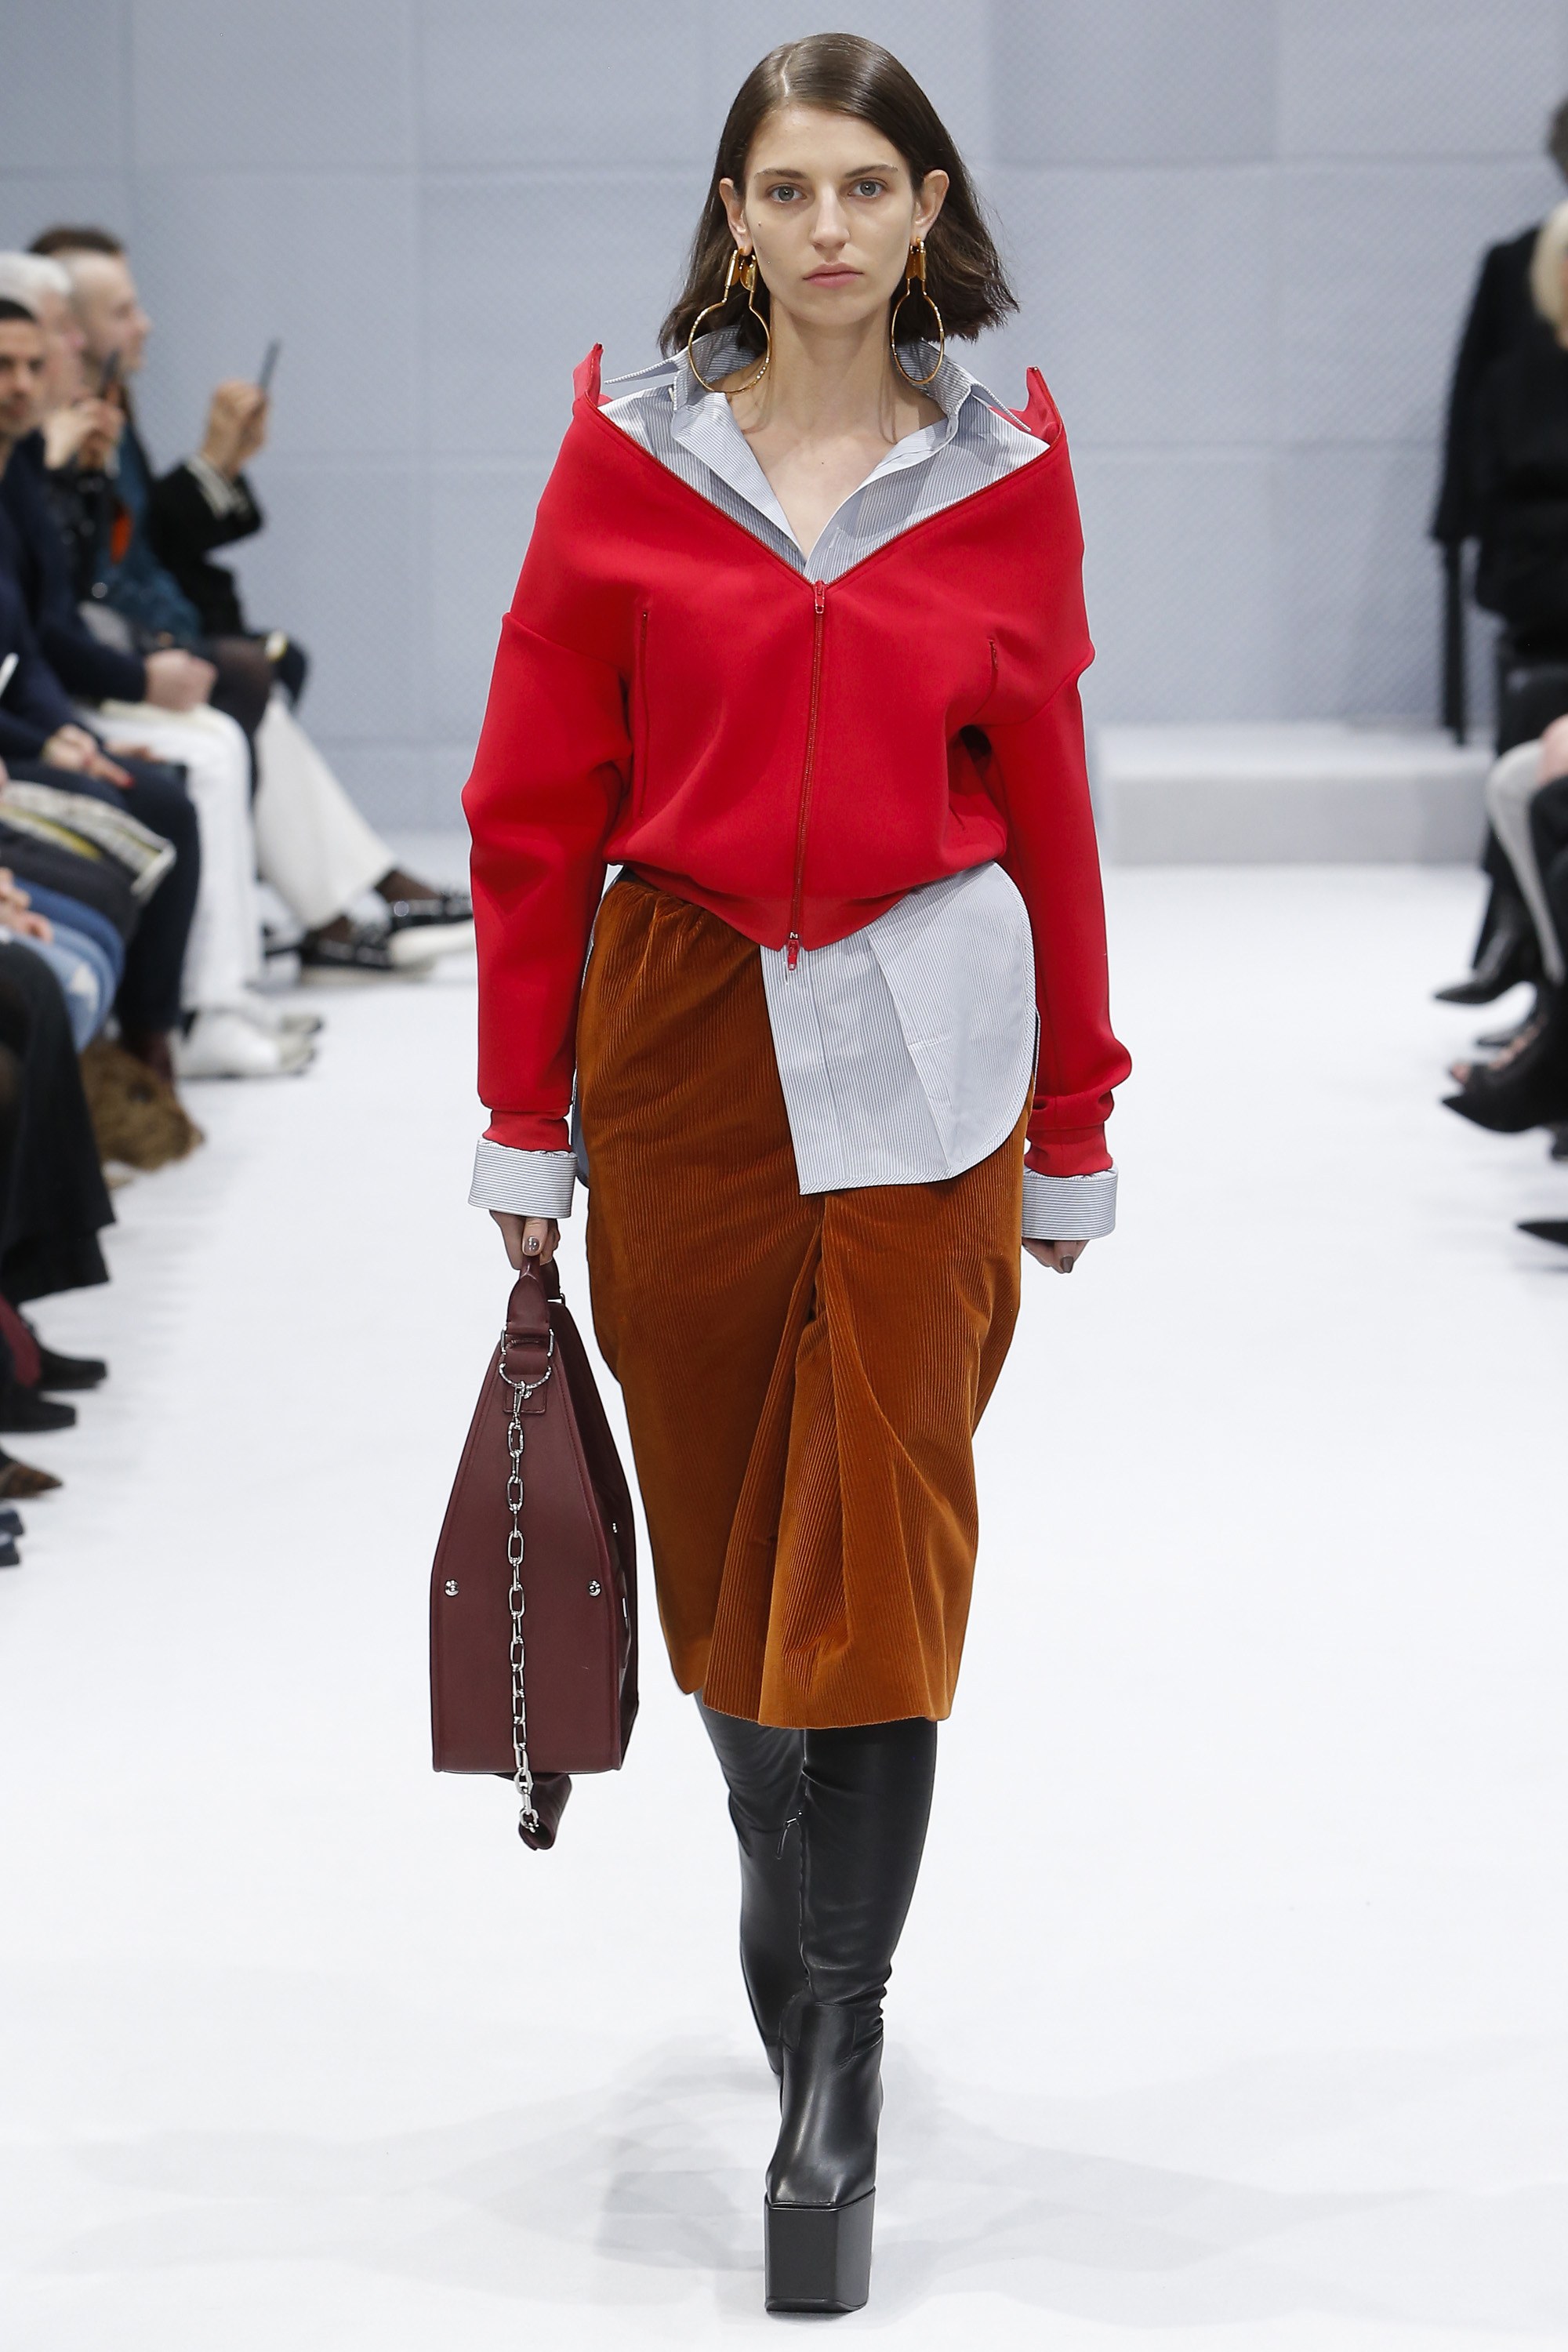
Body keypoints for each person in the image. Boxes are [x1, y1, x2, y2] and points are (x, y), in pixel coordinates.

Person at [463, 34, 1129, 2318]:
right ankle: (784, 1857)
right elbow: (529, 809)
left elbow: (1053, 803)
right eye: (785, 188)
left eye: (866, 183)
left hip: (935, 1046)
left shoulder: (1004, 478)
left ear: (925, 209)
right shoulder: (626, 463)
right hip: (679, 1049)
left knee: (884, 1542)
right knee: (732, 1536)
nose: (827, 225)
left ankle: (833, 2046)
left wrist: (1077, 1114)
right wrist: (523, 1112)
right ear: (731, 220)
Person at [28, 230, 473, 977]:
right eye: (123, 311)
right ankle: (344, 908)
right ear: (69, 329)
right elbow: (89, 572)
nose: (144, 325)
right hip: (94, 658)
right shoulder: (51, 433)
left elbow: (142, 543)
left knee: (261, 670)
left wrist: (219, 464)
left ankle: (340, 907)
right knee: (244, 676)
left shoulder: (103, 411)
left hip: (134, 634)